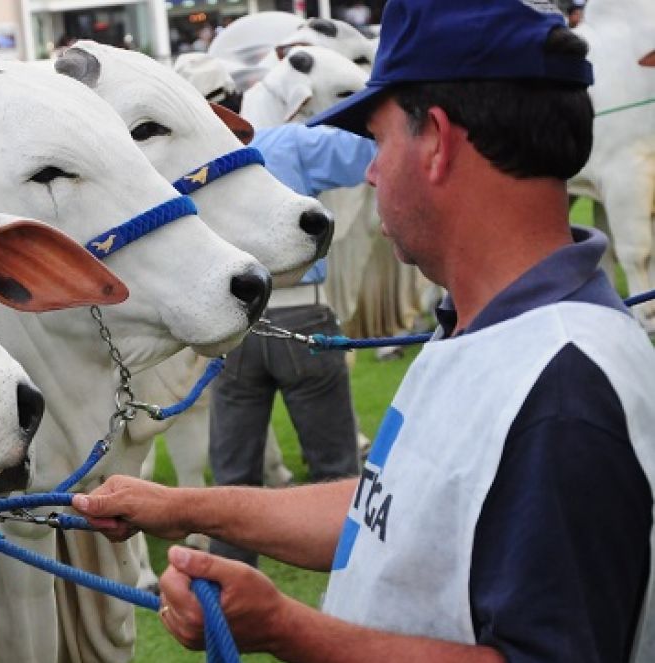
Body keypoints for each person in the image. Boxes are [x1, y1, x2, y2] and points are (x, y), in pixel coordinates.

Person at [73, 0, 655, 661]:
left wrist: (284, 627)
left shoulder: (563, 385)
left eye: (377, 141)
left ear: (436, 141)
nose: (372, 171)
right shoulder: (498, 333)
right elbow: (396, 510)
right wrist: (182, 507)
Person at [207, 122, 374, 569]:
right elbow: (368, 151)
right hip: (303, 318)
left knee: (233, 478)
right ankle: (354, 580)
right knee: (337, 471)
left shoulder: (202, 153)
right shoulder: (290, 141)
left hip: (236, 328)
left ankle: (225, 588)